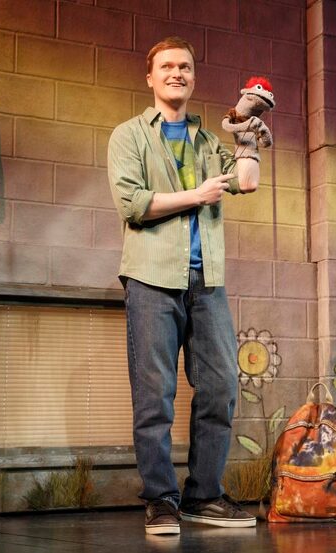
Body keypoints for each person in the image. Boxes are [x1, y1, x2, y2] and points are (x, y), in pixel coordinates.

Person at [107, 36, 262, 535]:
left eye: (186, 67)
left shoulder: (206, 143)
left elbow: (248, 181)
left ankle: (203, 496)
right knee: (155, 395)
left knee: (221, 385)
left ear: (194, 78)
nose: (178, 73)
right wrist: (195, 194)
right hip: (151, 277)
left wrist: (248, 136)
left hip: (206, 280)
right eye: (168, 66)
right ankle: (160, 501)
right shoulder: (129, 136)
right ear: (150, 77)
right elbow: (133, 204)